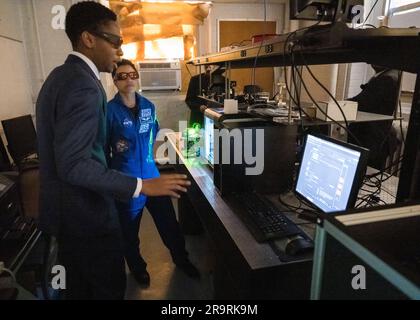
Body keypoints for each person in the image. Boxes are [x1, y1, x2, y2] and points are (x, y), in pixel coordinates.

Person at [35, 1, 190, 300]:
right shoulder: (85, 87)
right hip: (87, 218)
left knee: (79, 291)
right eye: (115, 40)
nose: (120, 50)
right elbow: (76, 164)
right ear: (88, 38)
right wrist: (142, 185)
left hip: (67, 217)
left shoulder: (59, 77)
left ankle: (181, 258)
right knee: (106, 287)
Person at [107, 60, 200, 286]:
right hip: (128, 183)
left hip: (153, 177)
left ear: (137, 77)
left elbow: (155, 133)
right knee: (129, 233)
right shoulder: (109, 111)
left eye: (132, 74)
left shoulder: (148, 106)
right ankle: (138, 268)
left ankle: (181, 260)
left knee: (170, 224)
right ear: (115, 81)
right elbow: (102, 147)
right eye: (121, 76)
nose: (128, 79)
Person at [347, 65, 401, 171]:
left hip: (371, 139)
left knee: (365, 174)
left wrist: (336, 104)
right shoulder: (385, 76)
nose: (368, 63)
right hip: (375, 137)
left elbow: (361, 103)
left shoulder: (387, 79)